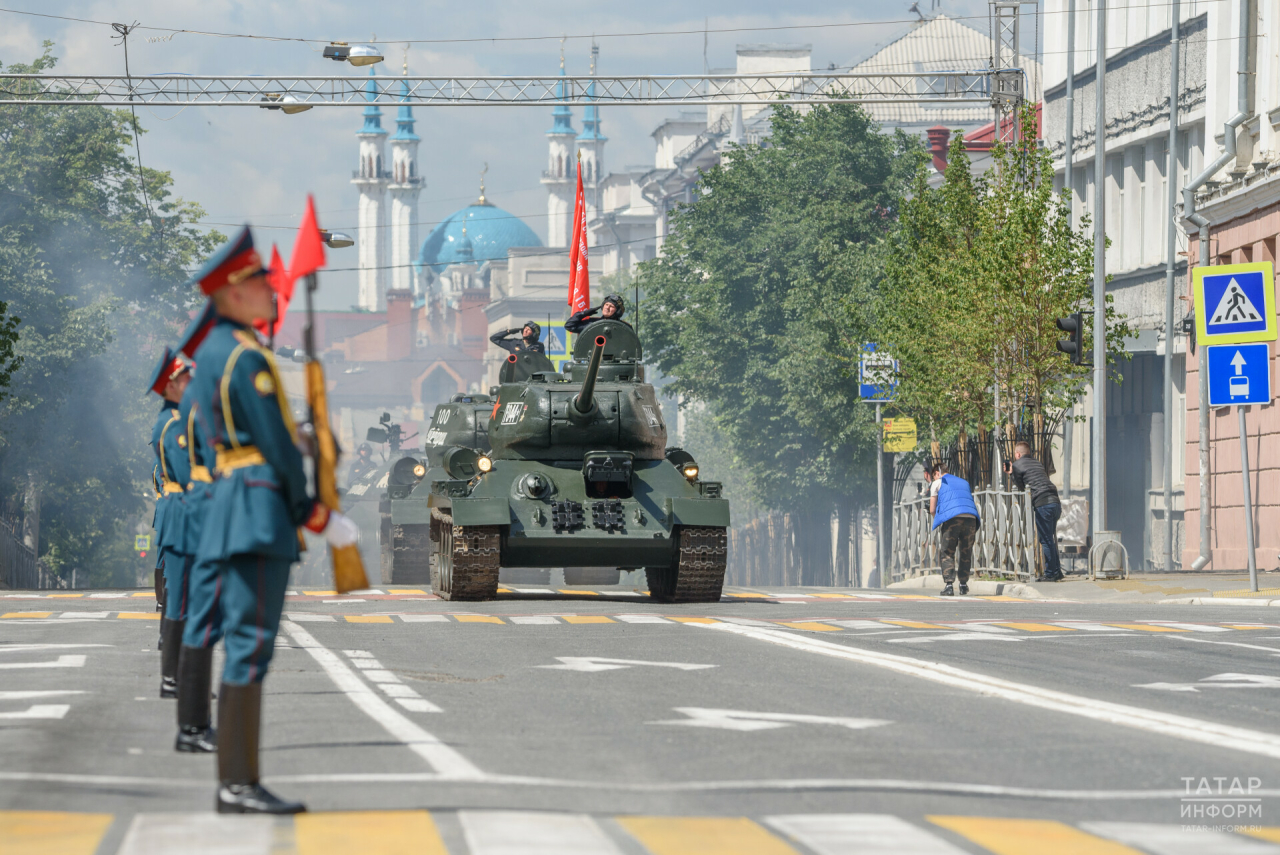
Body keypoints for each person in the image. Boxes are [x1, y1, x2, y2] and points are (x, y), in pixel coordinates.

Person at [184, 226, 359, 814]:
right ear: (233, 294)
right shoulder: (245, 355)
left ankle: (236, 780)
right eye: (259, 282)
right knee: (251, 644)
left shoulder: (215, 353)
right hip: (257, 508)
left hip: (234, 503)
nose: (269, 290)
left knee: (243, 641)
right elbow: (274, 448)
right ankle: (237, 783)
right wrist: (313, 511)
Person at [172, 305, 218, 755]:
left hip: (206, 506)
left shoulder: (197, 394)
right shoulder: (211, 391)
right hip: (217, 508)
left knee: (205, 615)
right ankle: (194, 727)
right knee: (231, 626)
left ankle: (193, 725)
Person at [148, 348, 191, 672]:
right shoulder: (173, 425)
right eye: (184, 378)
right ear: (171, 386)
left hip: (182, 511)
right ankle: (178, 676)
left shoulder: (178, 420)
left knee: (184, 592)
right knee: (182, 592)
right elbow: (189, 475)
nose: (190, 381)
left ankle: (175, 674)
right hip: (183, 511)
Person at [1006, 441, 1064, 582]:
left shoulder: (1016, 465)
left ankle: (1050, 573)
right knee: (1050, 538)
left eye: (1015, 454)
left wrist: (1010, 474)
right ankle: (1057, 571)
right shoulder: (1037, 463)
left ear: (1018, 454)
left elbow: (1021, 488)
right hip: (1055, 501)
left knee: (1046, 540)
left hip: (1043, 503)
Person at [927, 461, 980, 596]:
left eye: (934, 476)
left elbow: (932, 509)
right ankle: (963, 585)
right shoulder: (964, 482)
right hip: (971, 518)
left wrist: (939, 519)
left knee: (947, 551)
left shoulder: (938, 482)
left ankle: (949, 585)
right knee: (965, 551)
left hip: (952, 518)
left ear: (937, 473)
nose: (934, 479)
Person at [566, 293, 630, 333]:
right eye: (606, 304)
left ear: (617, 311)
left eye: (611, 306)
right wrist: (584, 313)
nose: (607, 308)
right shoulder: (592, 324)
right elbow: (569, 326)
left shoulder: (624, 327)